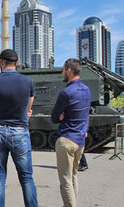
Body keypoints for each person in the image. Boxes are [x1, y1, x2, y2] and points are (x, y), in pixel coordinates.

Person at [0, 49, 38, 207]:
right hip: (20, 132)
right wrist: (26, 113)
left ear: (1, 62)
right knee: (27, 178)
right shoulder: (27, 82)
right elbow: (29, 106)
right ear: (17, 63)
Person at [51, 58, 91, 207]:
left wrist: (61, 116)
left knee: (65, 180)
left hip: (66, 139)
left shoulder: (66, 93)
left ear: (68, 71)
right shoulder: (87, 90)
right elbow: (86, 114)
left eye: (62, 70)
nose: (62, 73)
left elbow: (54, 117)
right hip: (80, 141)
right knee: (73, 176)